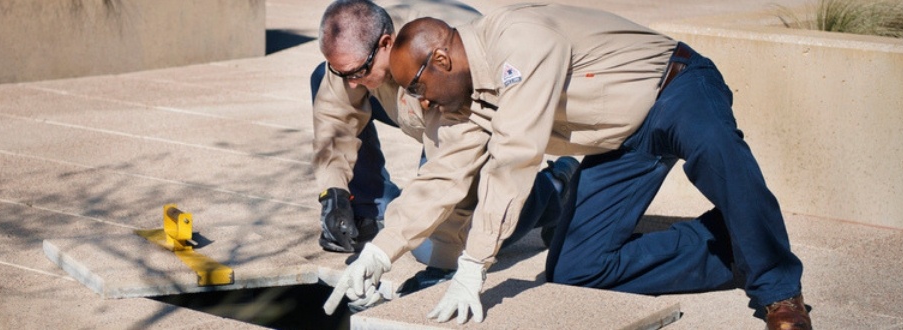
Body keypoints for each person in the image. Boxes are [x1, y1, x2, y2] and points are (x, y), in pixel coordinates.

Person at [327, 3, 813, 329]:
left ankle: (778, 291)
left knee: (718, 153)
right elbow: (444, 175)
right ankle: (739, 242)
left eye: (416, 87)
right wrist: (380, 252)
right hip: (619, 141)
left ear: (441, 59)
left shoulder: (520, 42)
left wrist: (474, 265)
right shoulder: (461, 97)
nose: (417, 101)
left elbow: (515, 157)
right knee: (576, 268)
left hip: (675, 88)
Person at [311, 0, 577, 300]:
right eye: (344, 73)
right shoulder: (359, 51)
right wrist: (333, 191)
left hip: (461, 116)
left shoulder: (440, 68)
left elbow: (449, 172)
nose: (352, 83)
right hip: (413, 103)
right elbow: (333, 116)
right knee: (323, 80)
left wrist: (441, 265)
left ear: (386, 43)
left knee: (445, 240)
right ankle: (367, 209)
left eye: (357, 72)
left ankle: (555, 187)